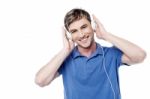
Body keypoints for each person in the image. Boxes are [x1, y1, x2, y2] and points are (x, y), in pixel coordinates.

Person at [35, 8, 146, 99]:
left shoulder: (110, 54)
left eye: (84, 27)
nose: (81, 34)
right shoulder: (65, 60)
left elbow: (140, 56)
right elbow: (40, 81)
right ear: (69, 36)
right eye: (74, 31)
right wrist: (65, 51)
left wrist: (106, 35)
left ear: (92, 26)